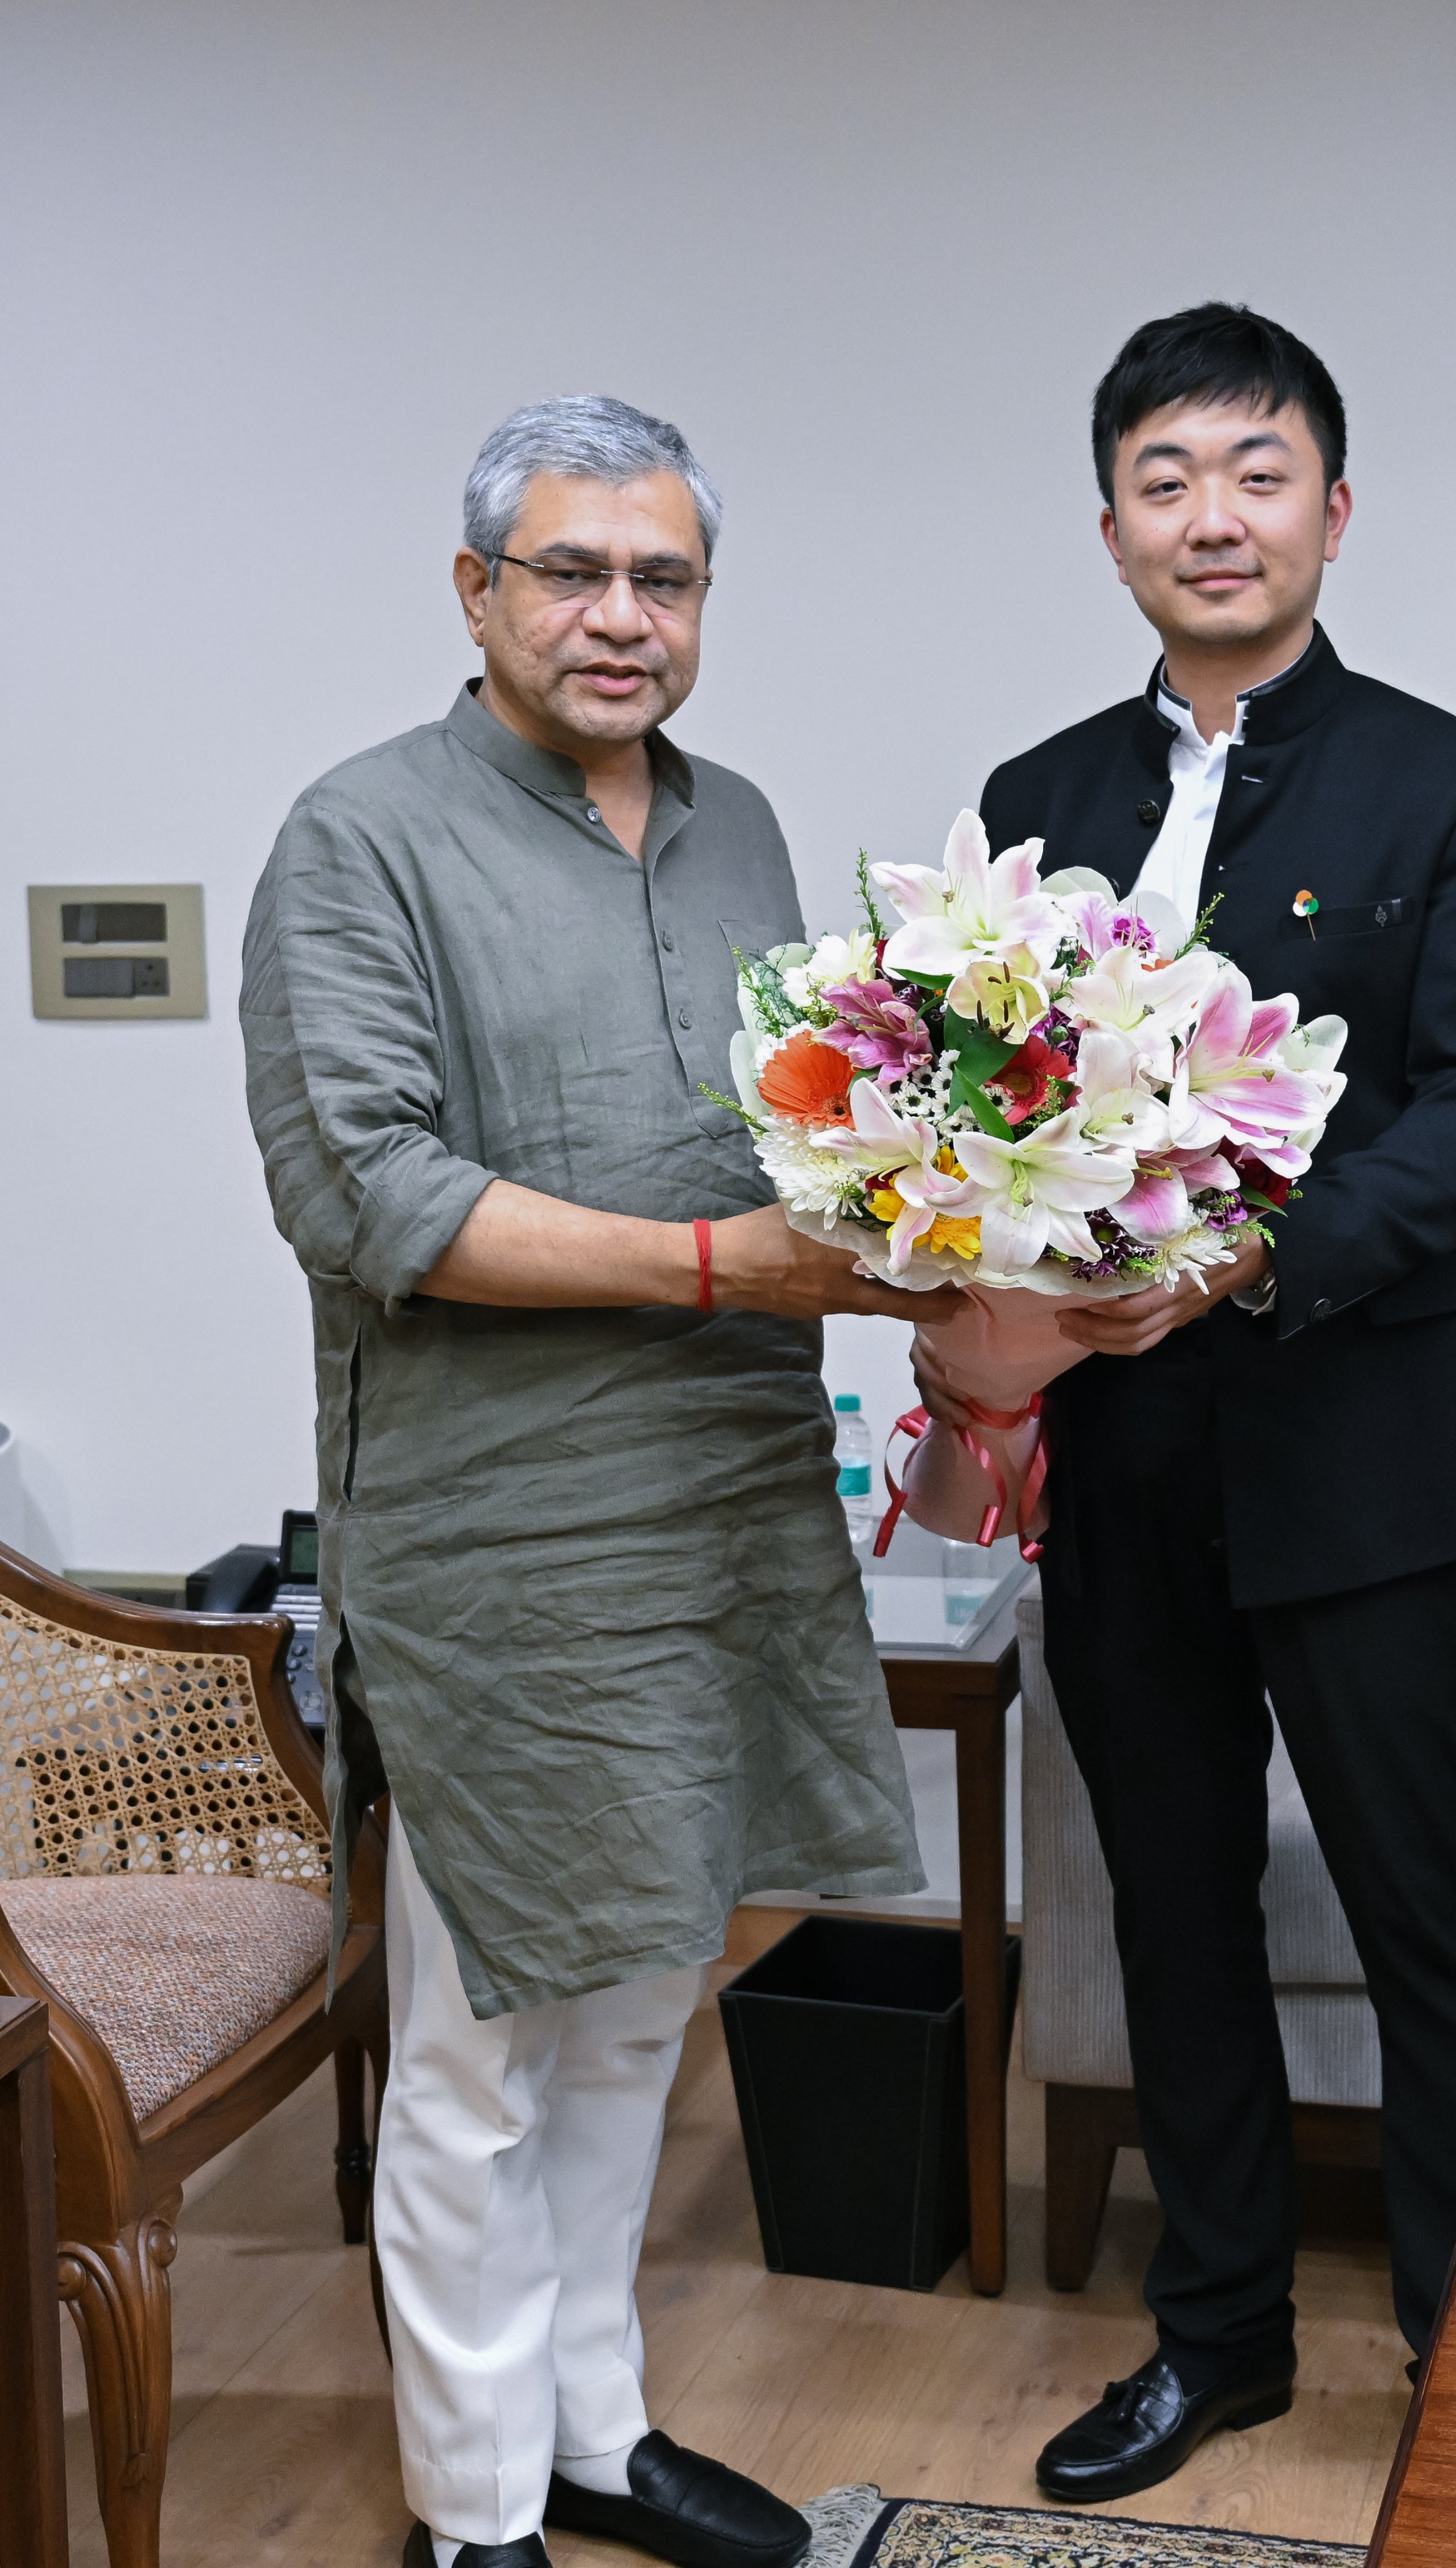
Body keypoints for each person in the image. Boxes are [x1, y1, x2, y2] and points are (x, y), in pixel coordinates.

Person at [243, 396, 954, 2568]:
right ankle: (476, 2509)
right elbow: (370, 1191)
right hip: (502, 1539)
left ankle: (596, 2429)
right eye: (571, 571)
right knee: (487, 2038)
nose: (620, 615)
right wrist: (727, 1265)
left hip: (730, 1503)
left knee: (650, 1999)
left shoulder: (744, 831)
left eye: (664, 577)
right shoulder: (361, 836)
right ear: (477, 593)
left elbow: (810, 1144)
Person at [943, 303, 1456, 2500]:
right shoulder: (1035, 803)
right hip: (1122, 1458)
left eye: (1256, 471)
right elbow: (982, 1113)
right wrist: (970, 1294)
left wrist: (1242, 1263)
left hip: (1368, 1440)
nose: (1213, 516)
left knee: (1421, 1909)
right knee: (1174, 1903)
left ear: (1332, 508)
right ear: (1112, 525)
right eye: (1166, 479)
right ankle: (1214, 2337)